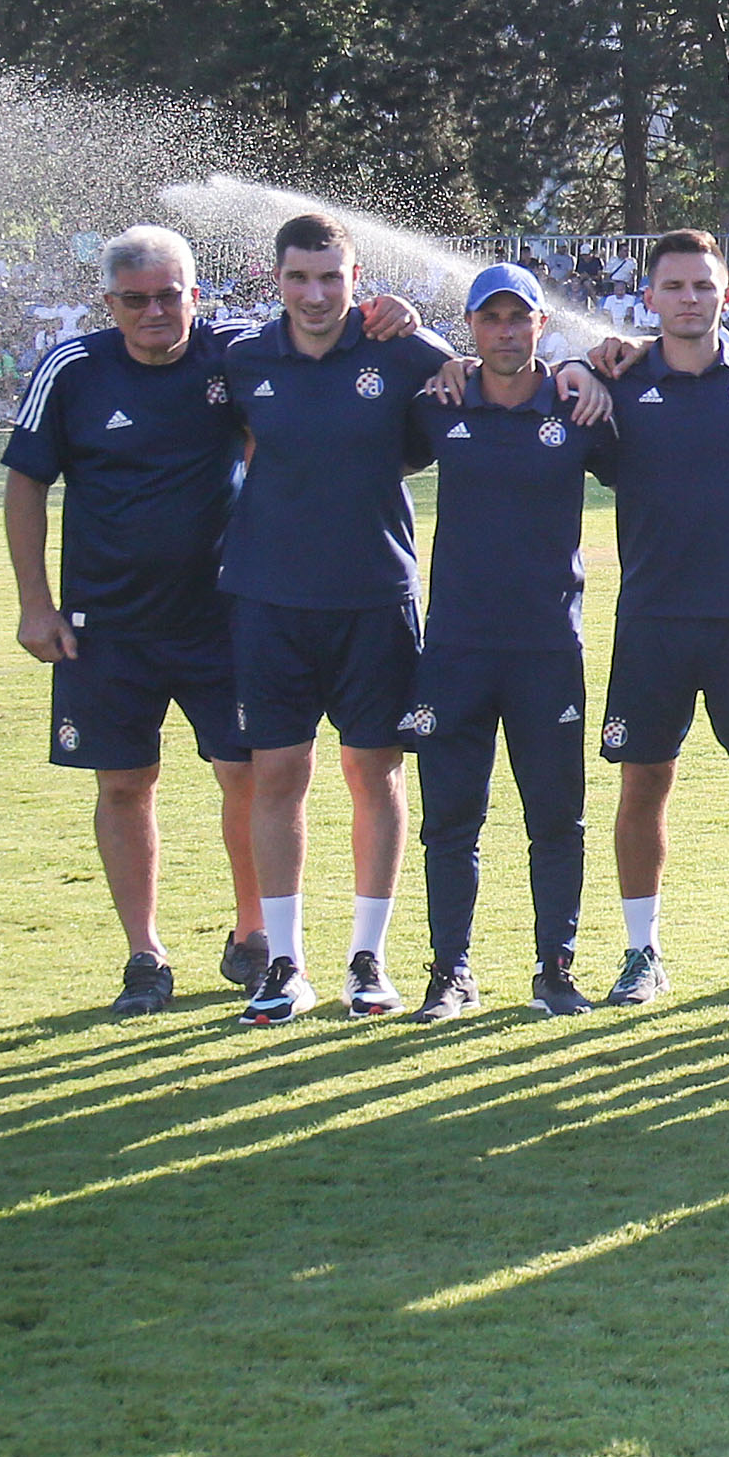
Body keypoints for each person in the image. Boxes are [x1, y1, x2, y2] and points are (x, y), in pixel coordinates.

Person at [4, 226, 271, 1012]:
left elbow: (321, 337)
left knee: (248, 775)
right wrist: (35, 605)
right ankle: (145, 955)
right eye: (135, 299)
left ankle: (253, 934)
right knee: (124, 783)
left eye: (169, 295)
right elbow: (25, 484)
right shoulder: (73, 369)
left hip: (223, 617)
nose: (155, 311)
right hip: (105, 625)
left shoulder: (234, 354)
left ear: (196, 294)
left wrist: (389, 313)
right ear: (109, 303)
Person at [221, 213, 459, 1024]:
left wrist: (416, 321)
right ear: (276, 279)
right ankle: (284, 963)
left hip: (374, 599)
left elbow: (470, 374)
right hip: (269, 600)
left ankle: (368, 958)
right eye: (299, 277)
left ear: (357, 279)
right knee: (278, 775)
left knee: (375, 772)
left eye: (331, 277)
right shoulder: (244, 358)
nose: (315, 293)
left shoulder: (402, 349)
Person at [584, 230, 729, 1006]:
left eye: (703, 285)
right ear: (648, 296)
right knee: (643, 780)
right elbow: (540, 389)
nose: (689, 298)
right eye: (674, 286)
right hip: (652, 616)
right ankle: (640, 954)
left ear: (728, 295)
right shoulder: (616, 383)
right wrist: (584, 364)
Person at [404, 264, 607, 1020]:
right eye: (490, 318)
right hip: (455, 649)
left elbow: (649, 459)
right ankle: (449, 973)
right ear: (471, 327)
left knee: (555, 819)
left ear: (540, 325)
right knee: (451, 821)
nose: (505, 331)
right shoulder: (440, 402)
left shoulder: (579, 406)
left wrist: (591, 369)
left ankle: (555, 970)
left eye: (519, 317)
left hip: (547, 649)